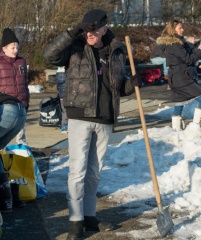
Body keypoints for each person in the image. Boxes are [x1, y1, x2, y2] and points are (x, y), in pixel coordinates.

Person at [43, 9, 141, 240]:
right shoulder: (75, 46)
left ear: (105, 28)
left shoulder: (116, 49)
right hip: (79, 116)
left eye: (94, 28)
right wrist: (73, 31)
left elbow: (117, 85)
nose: (90, 32)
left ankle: (89, 216)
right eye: (87, 28)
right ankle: (75, 221)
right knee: (77, 171)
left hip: (105, 118)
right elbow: (49, 55)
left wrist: (130, 85)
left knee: (94, 173)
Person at [155, 19, 201, 131]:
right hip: (181, 78)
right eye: (180, 28)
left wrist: (194, 45)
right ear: (173, 30)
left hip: (175, 77)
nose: (183, 29)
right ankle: (196, 126)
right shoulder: (176, 44)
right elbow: (189, 59)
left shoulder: (176, 42)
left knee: (179, 102)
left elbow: (186, 54)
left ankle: (176, 130)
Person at [0, 28, 30, 211]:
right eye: (12, 46)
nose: (15, 49)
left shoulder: (21, 62)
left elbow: (25, 86)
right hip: (5, 108)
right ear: (4, 47)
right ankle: (7, 199)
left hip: (19, 109)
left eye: (17, 46)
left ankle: (7, 199)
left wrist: (26, 104)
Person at [55, 66, 68, 133]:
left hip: (61, 95)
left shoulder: (57, 73)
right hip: (67, 95)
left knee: (64, 110)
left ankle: (63, 126)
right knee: (66, 111)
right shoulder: (66, 73)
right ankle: (65, 126)